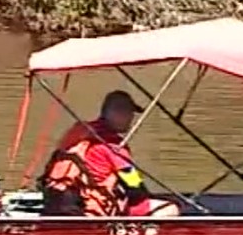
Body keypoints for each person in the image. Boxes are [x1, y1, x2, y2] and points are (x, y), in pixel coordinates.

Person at [40, 90, 179, 217]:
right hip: (91, 210)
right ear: (114, 112)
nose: (131, 118)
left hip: (58, 204)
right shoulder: (113, 144)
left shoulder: (80, 131)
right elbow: (134, 187)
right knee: (171, 208)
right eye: (128, 113)